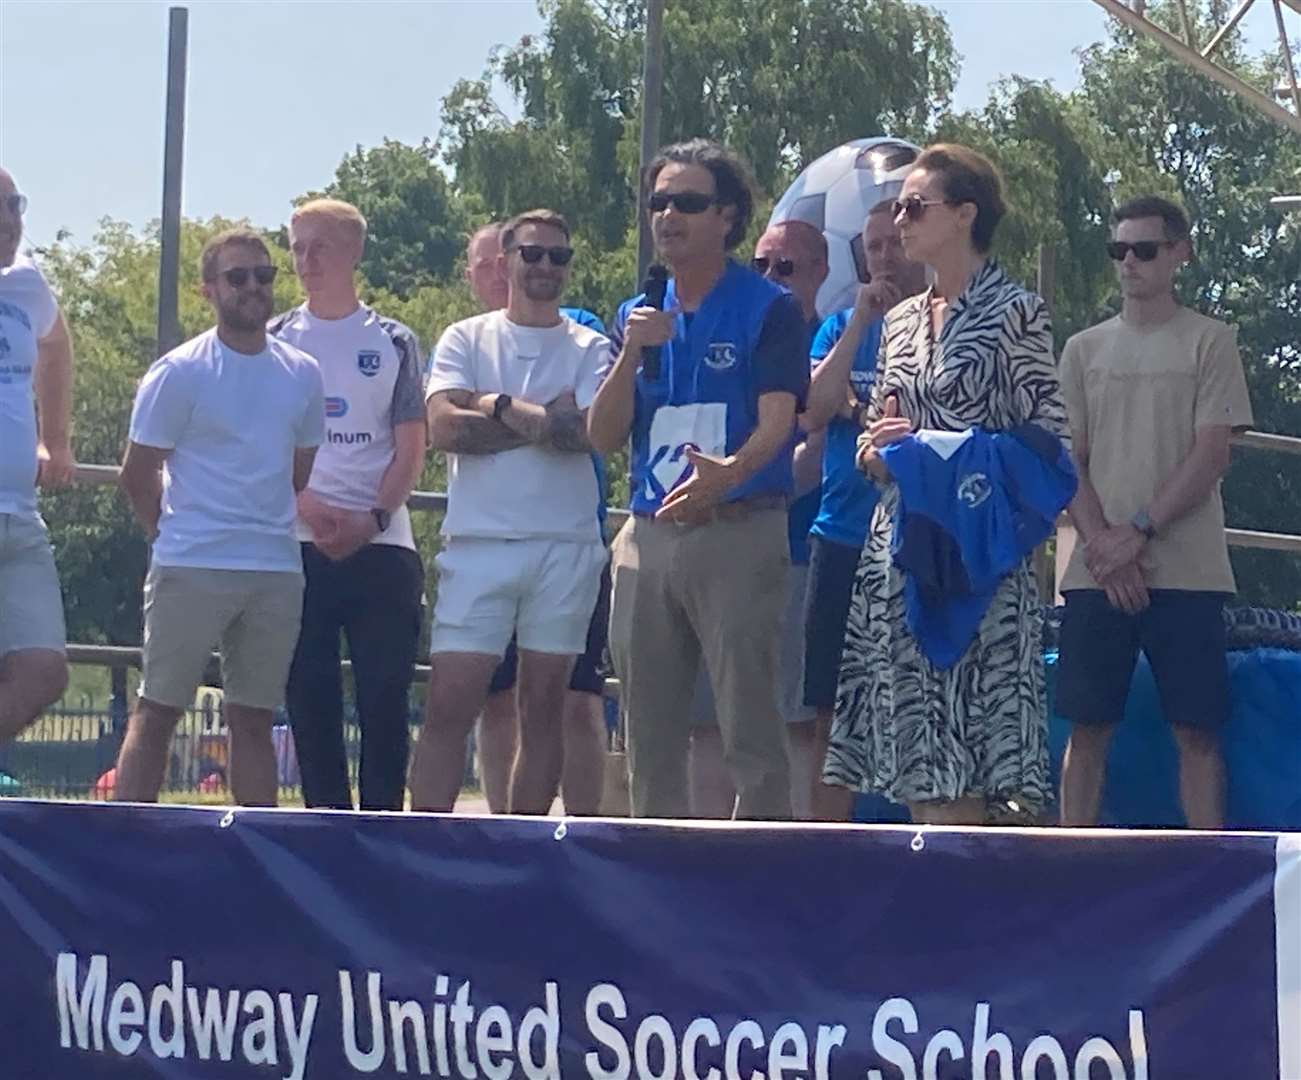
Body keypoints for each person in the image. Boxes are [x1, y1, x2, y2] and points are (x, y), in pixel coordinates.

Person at [823, 144, 1068, 825]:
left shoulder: (1016, 312)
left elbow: (1047, 444)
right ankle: (936, 912)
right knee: (917, 758)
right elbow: (877, 435)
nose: (897, 220)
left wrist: (933, 451)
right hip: (899, 553)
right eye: (896, 206)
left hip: (976, 560)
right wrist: (878, 451)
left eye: (913, 206)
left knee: (978, 773)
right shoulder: (897, 319)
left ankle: (974, 914)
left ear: (963, 215)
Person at [590, 139, 809, 820]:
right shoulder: (638, 313)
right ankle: (653, 880)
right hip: (649, 535)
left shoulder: (766, 308)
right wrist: (632, 349)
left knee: (747, 722)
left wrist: (729, 476)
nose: (667, 216)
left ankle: (763, 874)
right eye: (658, 202)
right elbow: (600, 436)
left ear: (727, 216)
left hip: (736, 530)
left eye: (687, 202)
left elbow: (780, 421)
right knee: (646, 729)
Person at [1057, 196, 1252, 830]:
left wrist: (1136, 533)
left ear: (1180, 254)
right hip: (1096, 573)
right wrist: (1103, 548)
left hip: (1188, 572)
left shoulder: (1211, 340)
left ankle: (1212, 877)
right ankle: (1069, 863)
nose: (1130, 263)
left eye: (1144, 249)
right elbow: (1067, 461)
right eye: (1119, 250)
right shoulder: (1082, 350)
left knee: (1196, 732)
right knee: (1086, 730)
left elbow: (1212, 452)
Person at [114, 228, 324, 805]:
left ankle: (256, 855)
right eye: (237, 277)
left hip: (275, 569)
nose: (253, 287)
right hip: (191, 564)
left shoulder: (303, 373)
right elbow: (137, 472)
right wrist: (173, 533)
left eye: (263, 275)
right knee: (157, 711)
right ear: (209, 289)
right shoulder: (179, 372)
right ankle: (119, 851)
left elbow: (298, 471)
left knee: (253, 720)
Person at [410, 209, 609, 814]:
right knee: (449, 703)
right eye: (533, 254)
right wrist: (542, 418)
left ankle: (522, 851)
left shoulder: (591, 345)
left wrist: (491, 402)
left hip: (565, 545)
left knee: (544, 706)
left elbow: (589, 435)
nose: (546, 267)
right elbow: (444, 428)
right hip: (478, 545)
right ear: (506, 260)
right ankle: (423, 851)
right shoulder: (465, 337)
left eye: (559, 256)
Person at [269, 199, 426, 812]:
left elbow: (411, 447)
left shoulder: (393, 340)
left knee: (385, 699)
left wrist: (374, 518)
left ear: (354, 253)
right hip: (297, 542)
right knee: (309, 700)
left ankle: (385, 831)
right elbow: (267, 439)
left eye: (321, 246)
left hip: (382, 546)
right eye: (297, 247)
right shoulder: (277, 339)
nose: (306, 261)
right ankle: (323, 832)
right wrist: (305, 503)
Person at [687, 219, 828, 819]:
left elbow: (813, 453)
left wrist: (739, 481)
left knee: (792, 718)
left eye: (787, 268)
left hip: (792, 552)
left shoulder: (824, 342)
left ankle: (780, 852)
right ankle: (704, 855)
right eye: (762, 264)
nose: (772, 278)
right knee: (706, 719)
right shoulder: (735, 327)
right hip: (703, 544)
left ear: (821, 273)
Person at [800, 201, 927, 820]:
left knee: (915, 698)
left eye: (894, 244)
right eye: (872, 248)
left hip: (916, 536)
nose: (884, 259)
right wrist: (856, 323)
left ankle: (914, 839)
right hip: (843, 534)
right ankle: (828, 847)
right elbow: (817, 408)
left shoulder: (943, 325)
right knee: (829, 704)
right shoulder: (836, 330)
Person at [0, 167, 74, 748]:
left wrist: (56, 438)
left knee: (45, 669)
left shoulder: (27, 285)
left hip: (19, 514)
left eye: (14, 204)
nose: (8, 220)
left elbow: (56, 342)